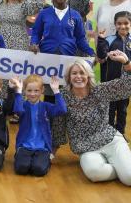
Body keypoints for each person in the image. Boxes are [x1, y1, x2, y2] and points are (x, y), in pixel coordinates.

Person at [52, 51, 131, 185]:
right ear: (69, 77)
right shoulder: (63, 96)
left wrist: (127, 63)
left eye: (82, 73)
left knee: (129, 178)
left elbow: (126, 86)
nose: (78, 77)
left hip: (109, 140)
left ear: (88, 76)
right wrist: (52, 151)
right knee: (95, 174)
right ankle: (121, 167)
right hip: (85, 147)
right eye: (74, 73)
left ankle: (124, 168)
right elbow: (59, 124)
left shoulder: (100, 90)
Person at [30, 0, 95, 102]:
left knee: (67, 95)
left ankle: (65, 121)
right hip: (48, 59)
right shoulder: (44, 13)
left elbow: (81, 38)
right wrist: (34, 44)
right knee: (50, 94)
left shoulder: (75, 15)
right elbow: (36, 33)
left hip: (68, 59)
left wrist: (91, 52)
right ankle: (49, 120)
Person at [10, 75, 67, 176]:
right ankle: (24, 158)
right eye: (29, 90)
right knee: (21, 169)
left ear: (42, 91)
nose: (32, 94)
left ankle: (43, 160)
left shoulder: (46, 106)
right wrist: (18, 91)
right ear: (25, 91)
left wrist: (56, 91)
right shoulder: (23, 105)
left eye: (36, 91)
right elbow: (18, 110)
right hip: (25, 146)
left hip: (42, 147)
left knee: (39, 170)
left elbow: (62, 110)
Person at [97, 11, 131, 136]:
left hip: (126, 84)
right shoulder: (109, 39)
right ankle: (109, 134)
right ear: (115, 25)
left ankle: (120, 134)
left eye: (126, 23)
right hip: (110, 83)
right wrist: (100, 40)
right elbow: (101, 56)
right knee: (109, 110)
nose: (123, 26)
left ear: (130, 23)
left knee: (122, 110)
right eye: (119, 23)